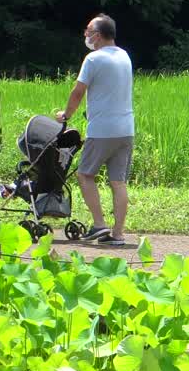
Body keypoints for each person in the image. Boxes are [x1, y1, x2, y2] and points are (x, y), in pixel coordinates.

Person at [55, 14, 134, 246]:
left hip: (102, 130)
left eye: (88, 30)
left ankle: (99, 225)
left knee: (85, 175)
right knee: (118, 182)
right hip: (126, 129)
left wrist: (65, 115)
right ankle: (117, 235)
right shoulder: (124, 55)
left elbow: (78, 92)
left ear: (97, 35)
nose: (85, 34)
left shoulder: (93, 59)